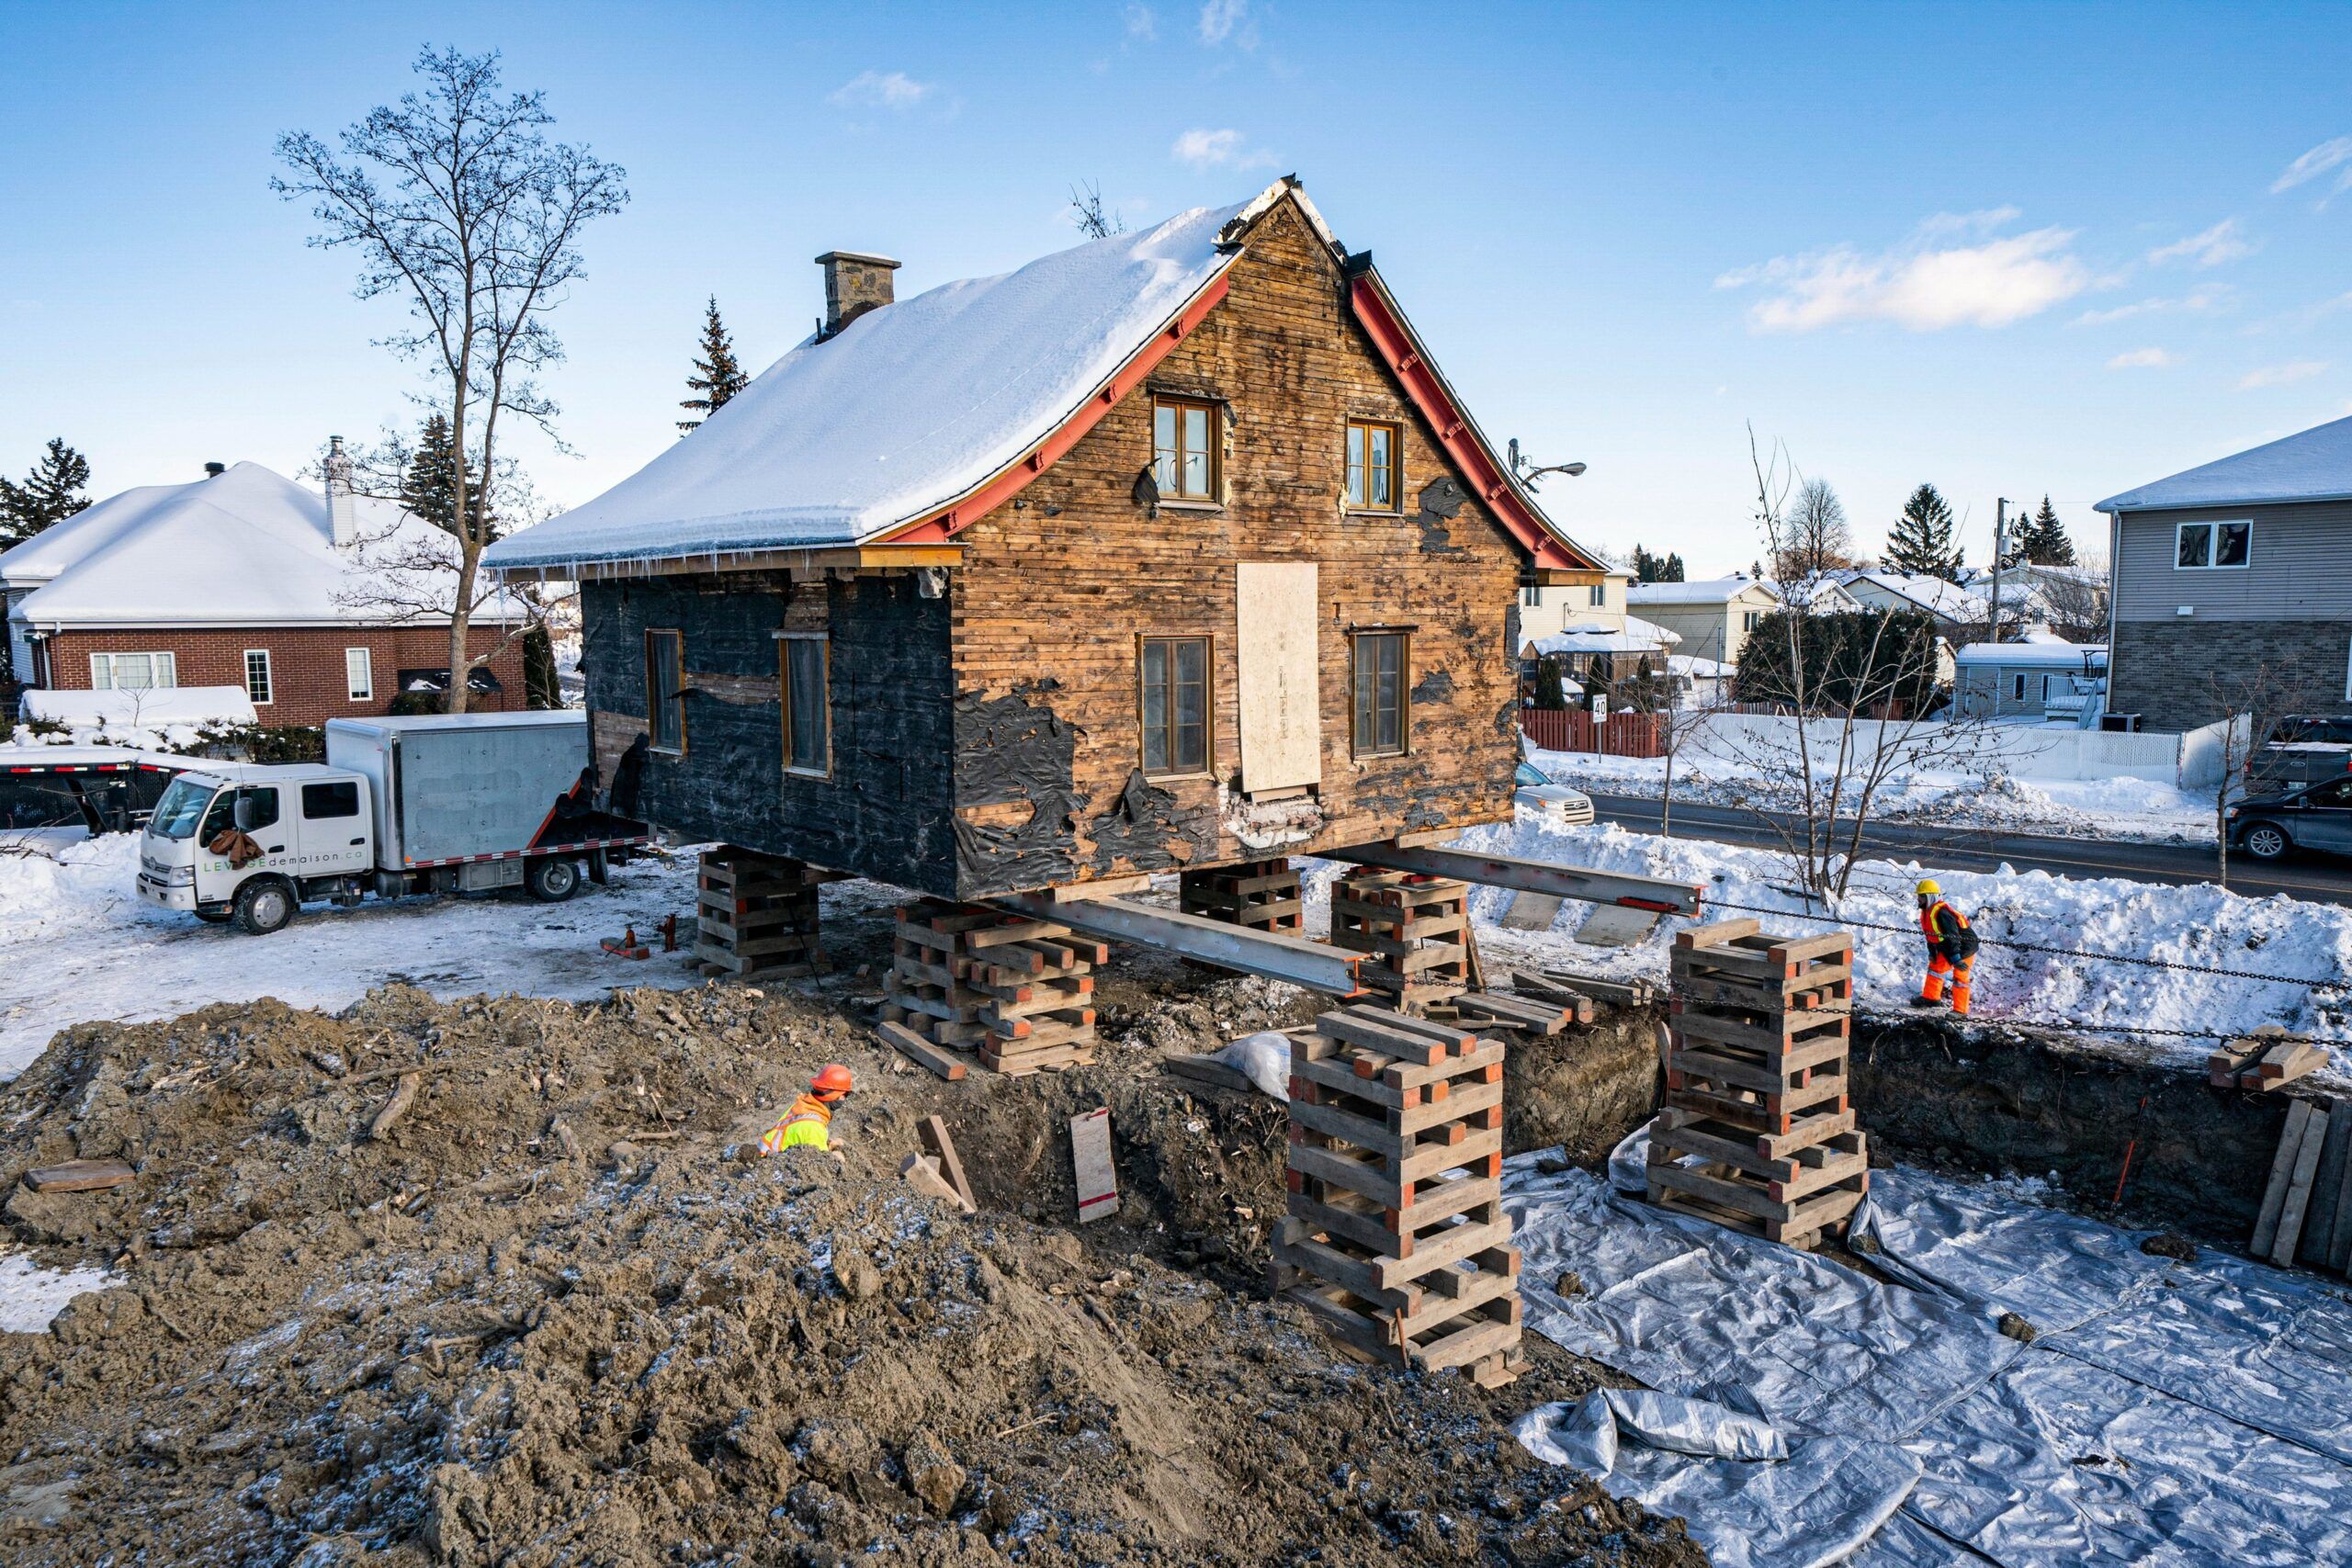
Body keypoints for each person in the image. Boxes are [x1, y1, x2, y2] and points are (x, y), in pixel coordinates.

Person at [1909, 879, 1978, 1017]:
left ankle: (1961, 1011)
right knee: (1935, 968)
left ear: (1929, 897)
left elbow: (1953, 937)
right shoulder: (1927, 912)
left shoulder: (1942, 913)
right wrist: (1932, 952)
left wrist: (1957, 958)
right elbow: (1931, 934)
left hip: (1964, 947)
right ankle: (1931, 998)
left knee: (1960, 977)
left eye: (1921, 896)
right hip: (1948, 945)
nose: (1918, 899)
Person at [760, 1065, 854, 1155]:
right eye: (845, 1095)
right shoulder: (814, 1127)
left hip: (765, 1151)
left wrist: (828, 1145)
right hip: (768, 1164)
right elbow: (822, 1163)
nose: (844, 1099)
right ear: (833, 1096)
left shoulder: (803, 1105)